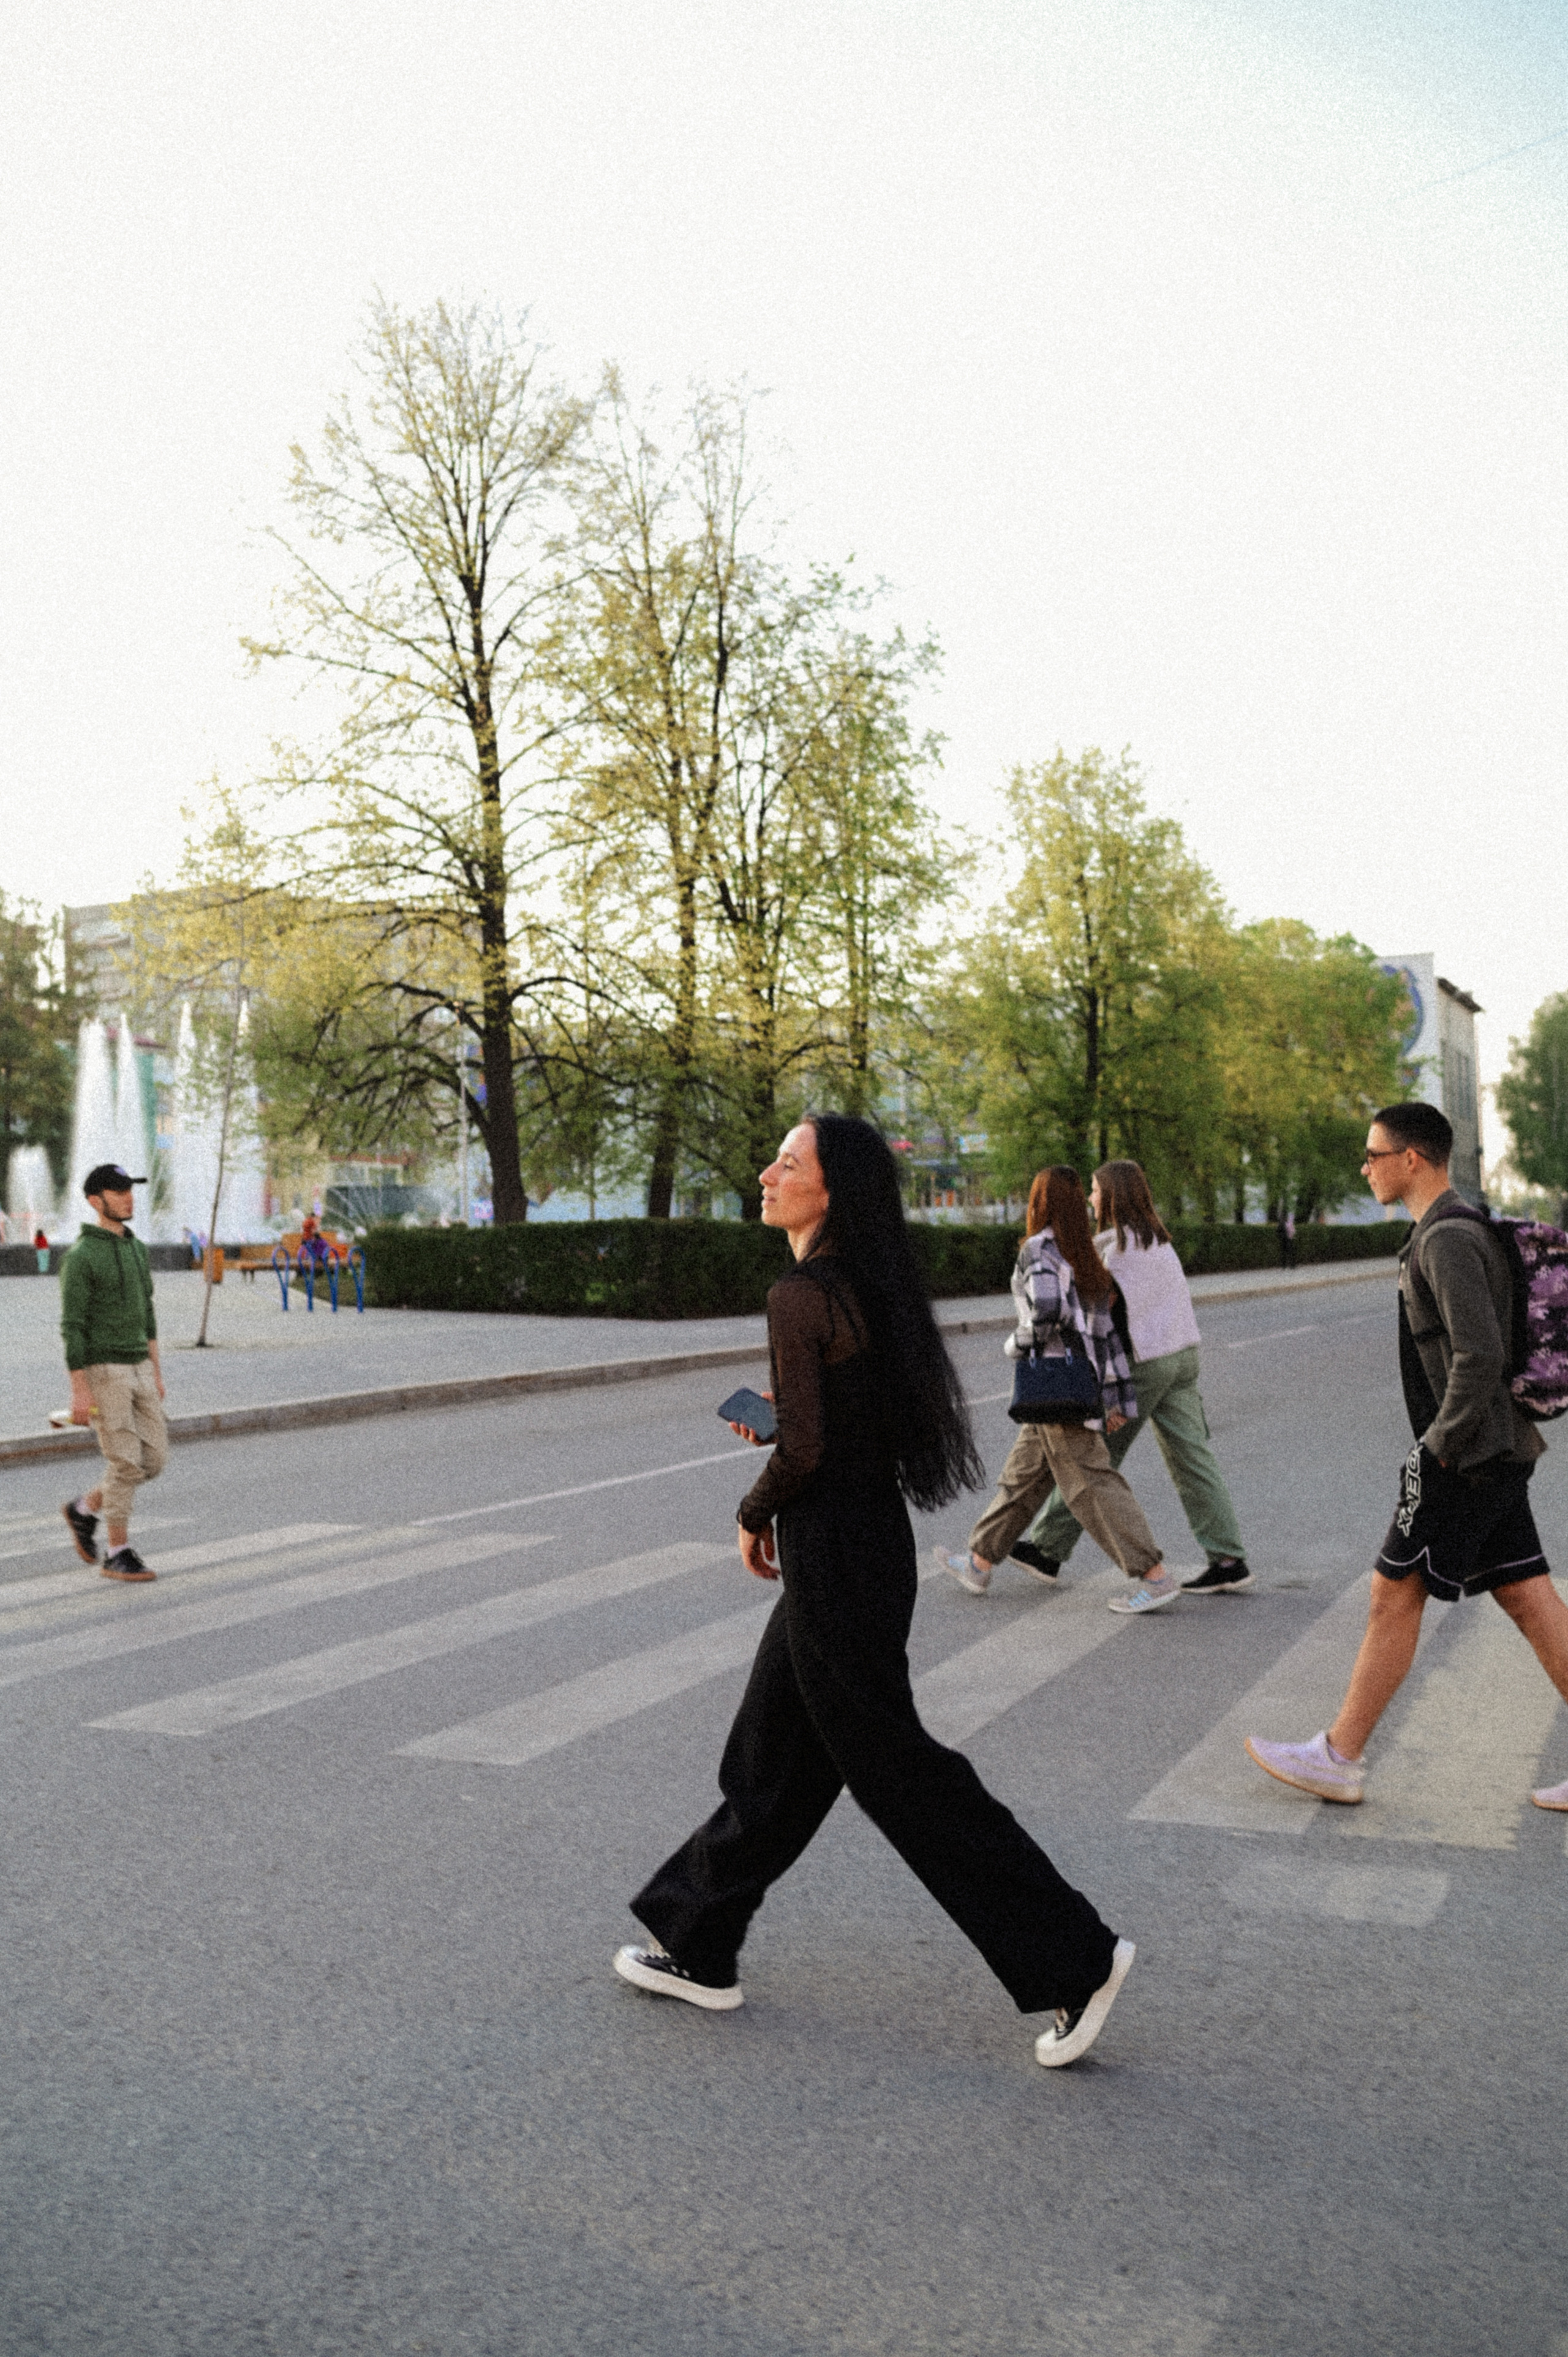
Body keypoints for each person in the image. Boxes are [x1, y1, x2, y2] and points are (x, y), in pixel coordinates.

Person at [614, 1116, 1136, 2069]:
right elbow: (839, 1428)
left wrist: (754, 1504)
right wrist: (781, 1426)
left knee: (902, 1776)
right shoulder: (869, 1285)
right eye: (771, 1154)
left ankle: (1077, 1957)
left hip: (833, 1549)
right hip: (866, 1548)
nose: (766, 1172)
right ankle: (698, 1937)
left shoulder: (800, 1293)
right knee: (772, 1753)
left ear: (830, 1190)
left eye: (788, 1162)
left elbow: (809, 1453)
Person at [1245, 1102, 1568, 1813]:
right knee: (1529, 1598)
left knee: (1393, 1591)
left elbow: (1478, 1354)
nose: (1365, 1168)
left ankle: (1338, 1755)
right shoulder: (1452, 1228)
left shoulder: (1446, 1239)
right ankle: (1337, 1754)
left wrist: (1438, 1448)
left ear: (1411, 1159)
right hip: (1496, 1448)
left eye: (1372, 1155)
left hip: (1469, 1454)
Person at [933, 1165, 1180, 1616]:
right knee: (1023, 1476)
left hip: (1053, 1385)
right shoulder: (1083, 1254)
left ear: (1038, 1202)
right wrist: (1118, 1396)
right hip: (1074, 1385)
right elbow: (1107, 1335)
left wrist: (1016, 1344)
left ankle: (1154, 1576)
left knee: (1091, 1485)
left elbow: (1045, 1311)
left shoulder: (1039, 1249)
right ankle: (979, 1561)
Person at [1016, 1160, 1251, 1595]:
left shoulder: (1112, 1248)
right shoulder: (1161, 1242)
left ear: (1114, 1196)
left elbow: (1092, 1310)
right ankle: (1228, 1558)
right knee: (1194, 1460)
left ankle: (1047, 1549)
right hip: (1184, 1356)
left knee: (1092, 1461)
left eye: (1095, 1191)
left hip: (1145, 1363)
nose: (1090, 1198)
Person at [59, 1163, 167, 1583]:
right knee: (125, 1461)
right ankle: (117, 1551)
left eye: (130, 1190)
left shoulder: (137, 1250)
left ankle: (84, 1509)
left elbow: (149, 1316)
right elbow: (73, 1327)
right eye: (118, 1191)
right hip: (105, 1370)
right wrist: (80, 1391)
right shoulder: (81, 1257)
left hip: (140, 1365)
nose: (128, 1197)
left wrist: (156, 1372)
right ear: (95, 1200)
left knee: (153, 1460)